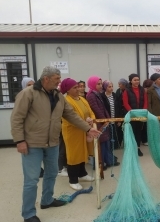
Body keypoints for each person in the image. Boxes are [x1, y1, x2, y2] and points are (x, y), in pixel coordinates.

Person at [11, 66, 101, 222]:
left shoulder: (59, 96)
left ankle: (47, 200)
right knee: (31, 180)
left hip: (52, 142)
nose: (59, 81)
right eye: (57, 78)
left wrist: (88, 129)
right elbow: (16, 118)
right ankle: (29, 213)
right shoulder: (28, 94)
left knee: (52, 173)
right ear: (46, 79)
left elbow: (70, 114)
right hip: (32, 143)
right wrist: (19, 140)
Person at [60, 78, 96, 191]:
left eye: (78, 87)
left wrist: (91, 119)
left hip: (83, 129)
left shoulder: (81, 99)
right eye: (75, 88)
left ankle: (82, 173)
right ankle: (73, 180)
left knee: (83, 152)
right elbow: (73, 118)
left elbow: (90, 111)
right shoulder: (67, 101)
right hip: (72, 132)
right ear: (67, 90)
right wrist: (86, 122)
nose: (78, 89)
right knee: (74, 155)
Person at [86, 76, 119, 169]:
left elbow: (103, 108)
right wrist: (105, 120)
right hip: (99, 123)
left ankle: (107, 161)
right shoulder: (91, 95)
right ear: (93, 84)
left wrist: (107, 118)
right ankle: (100, 163)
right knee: (101, 144)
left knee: (105, 143)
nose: (100, 86)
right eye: (98, 84)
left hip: (104, 122)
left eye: (101, 84)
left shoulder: (97, 93)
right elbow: (96, 109)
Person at [21, 77, 45, 178]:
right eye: (28, 85)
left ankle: (39, 169)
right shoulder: (22, 97)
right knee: (30, 156)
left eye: (32, 85)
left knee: (40, 154)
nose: (31, 87)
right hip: (28, 133)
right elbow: (19, 119)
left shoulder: (39, 97)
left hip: (39, 133)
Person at [122, 73, 148, 156]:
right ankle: (131, 149)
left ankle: (137, 148)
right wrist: (132, 112)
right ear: (131, 81)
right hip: (131, 115)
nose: (137, 81)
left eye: (138, 80)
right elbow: (125, 103)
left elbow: (145, 101)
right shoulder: (127, 91)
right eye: (135, 80)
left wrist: (143, 111)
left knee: (138, 132)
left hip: (140, 115)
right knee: (131, 132)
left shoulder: (142, 90)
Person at [101, 80, 122, 152]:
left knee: (115, 133)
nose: (111, 88)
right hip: (107, 120)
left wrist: (119, 119)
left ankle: (114, 147)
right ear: (105, 87)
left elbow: (119, 107)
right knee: (108, 134)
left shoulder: (115, 95)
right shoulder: (102, 96)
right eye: (109, 87)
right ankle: (109, 148)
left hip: (115, 118)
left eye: (112, 86)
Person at [115, 78, 128, 145]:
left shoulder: (128, 91)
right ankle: (119, 142)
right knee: (119, 128)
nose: (119, 85)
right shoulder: (118, 91)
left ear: (123, 84)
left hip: (126, 111)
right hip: (120, 111)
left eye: (120, 84)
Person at [141, 79, 154, 146]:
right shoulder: (144, 91)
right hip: (145, 110)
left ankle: (146, 139)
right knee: (144, 126)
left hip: (149, 109)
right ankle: (144, 140)